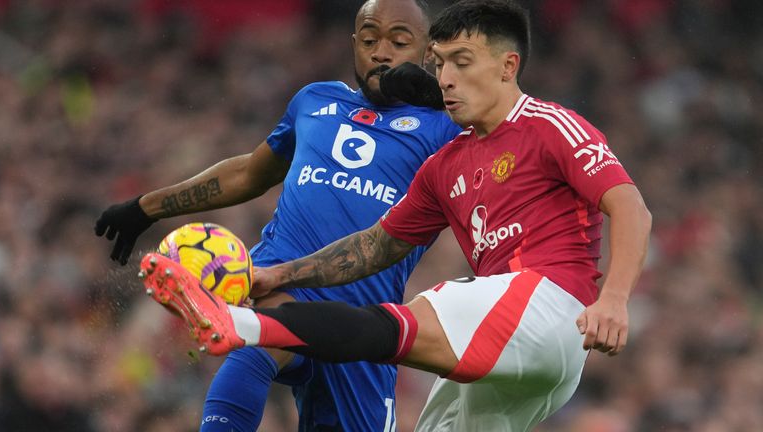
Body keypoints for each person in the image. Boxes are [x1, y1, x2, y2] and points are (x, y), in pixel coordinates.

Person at [140, 0, 652, 430]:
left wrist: (615, 299)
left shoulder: (549, 124)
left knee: (396, 327)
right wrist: (278, 273)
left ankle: (243, 327)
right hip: (521, 353)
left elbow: (629, 205)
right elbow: (373, 247)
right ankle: (251, 325)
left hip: (551, 308)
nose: (446, 78)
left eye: (463, 61)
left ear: (507, 66)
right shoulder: (443, 166)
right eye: (441, 64)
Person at [95, 0, 461, 430]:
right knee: (256, 341)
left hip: (366, 320)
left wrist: (440, 93)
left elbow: (509, 123)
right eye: (368, 40)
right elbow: (250, 173)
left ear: (426, 52)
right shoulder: (315, 100)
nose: (382, 52)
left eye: (399, 42)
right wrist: (145, 208)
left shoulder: (448, 127)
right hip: (281, 275)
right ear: (353, 45)